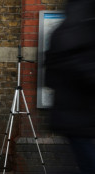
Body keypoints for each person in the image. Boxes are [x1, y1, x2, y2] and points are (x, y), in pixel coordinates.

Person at [45, 0, 95, 173]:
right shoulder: (85, 31)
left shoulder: (60, 31)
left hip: (70, 115)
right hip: (81, 115)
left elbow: (49, 78)